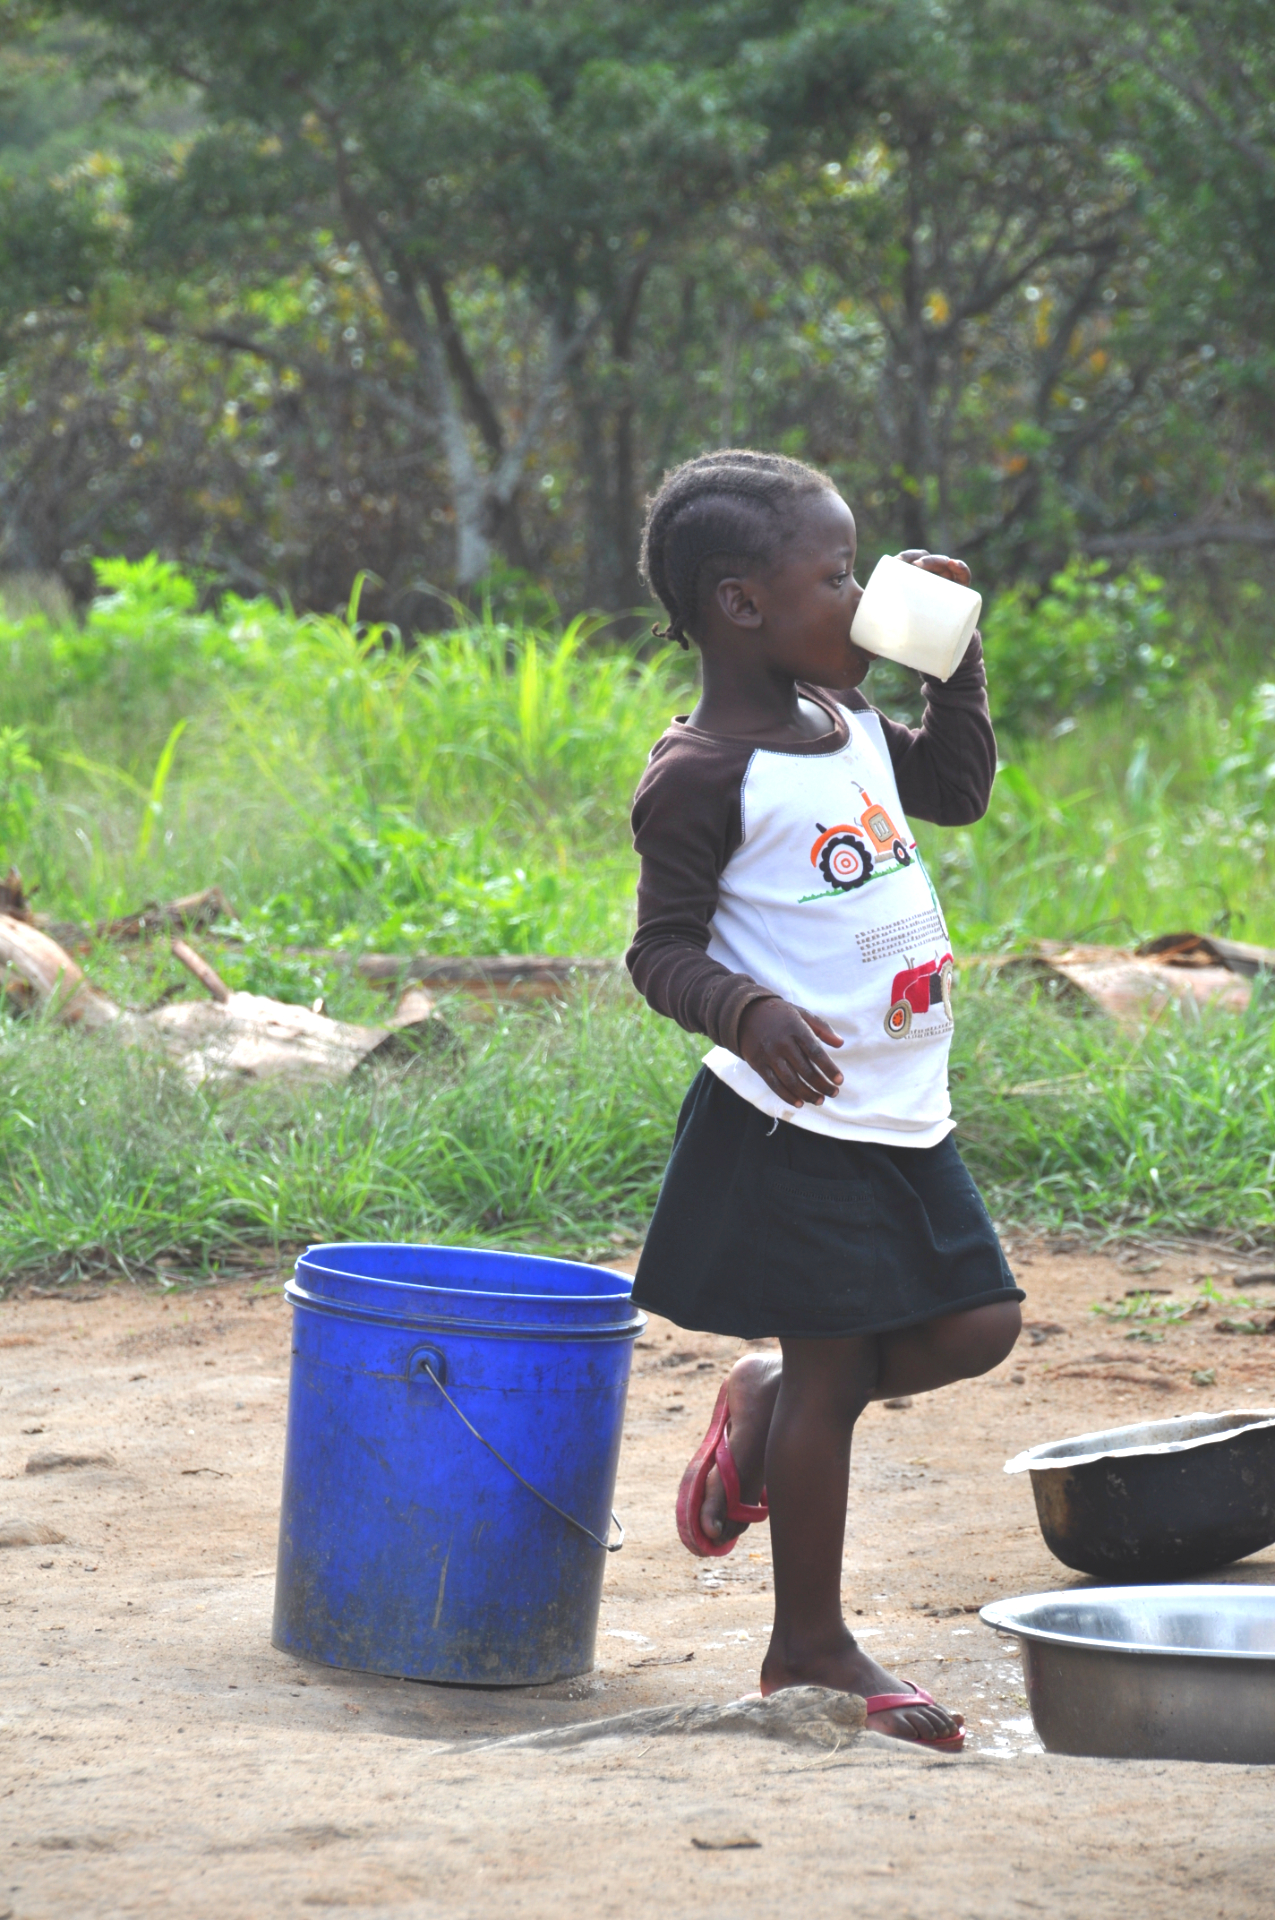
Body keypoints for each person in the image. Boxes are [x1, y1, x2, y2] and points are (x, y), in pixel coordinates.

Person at [625, 450, 1024, 1752]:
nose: (860, 597)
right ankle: (810, 1644)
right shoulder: (702, 773)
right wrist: (746, 1008)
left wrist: (949, 668)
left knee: (978, 1326)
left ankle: (760, 1401)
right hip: (793, 1125)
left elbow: (954, 791)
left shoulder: (840, 722)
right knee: (836, 1367)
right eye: (837, 576)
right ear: (743, 603)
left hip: (901, 1106)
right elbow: (661, 950)